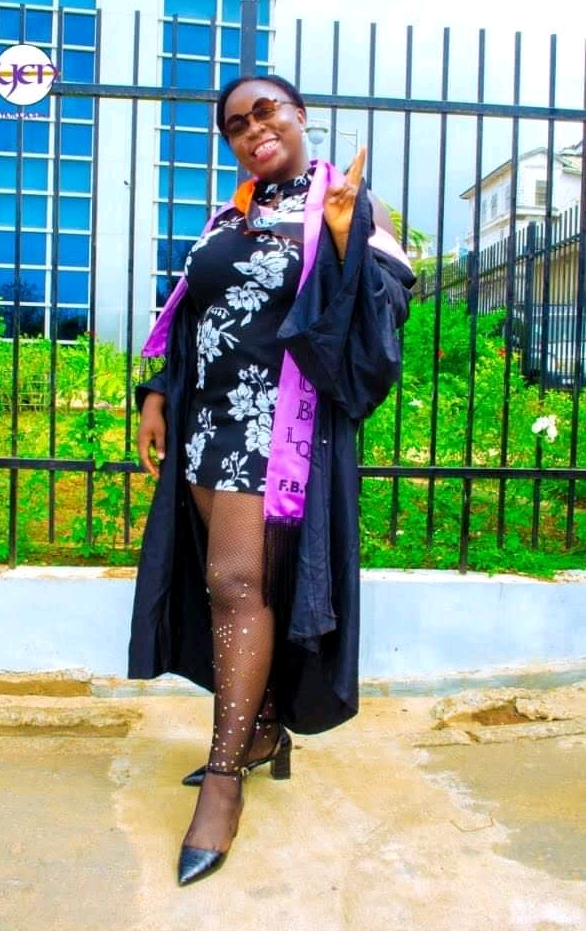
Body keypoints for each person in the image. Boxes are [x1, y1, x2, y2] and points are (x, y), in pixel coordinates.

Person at [129, 74, 416, 887]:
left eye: (266, 111)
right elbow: (195, 315)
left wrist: (343, 240)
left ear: (299, 116)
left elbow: (381, 324)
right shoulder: (230, 215)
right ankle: (257, 733)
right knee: (231, 587)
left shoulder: (351, 207)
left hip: (277, 428)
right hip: (206, 426)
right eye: (236, 123)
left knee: (236, 582)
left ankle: (224, 779)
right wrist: (157, 394)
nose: (253, 128)